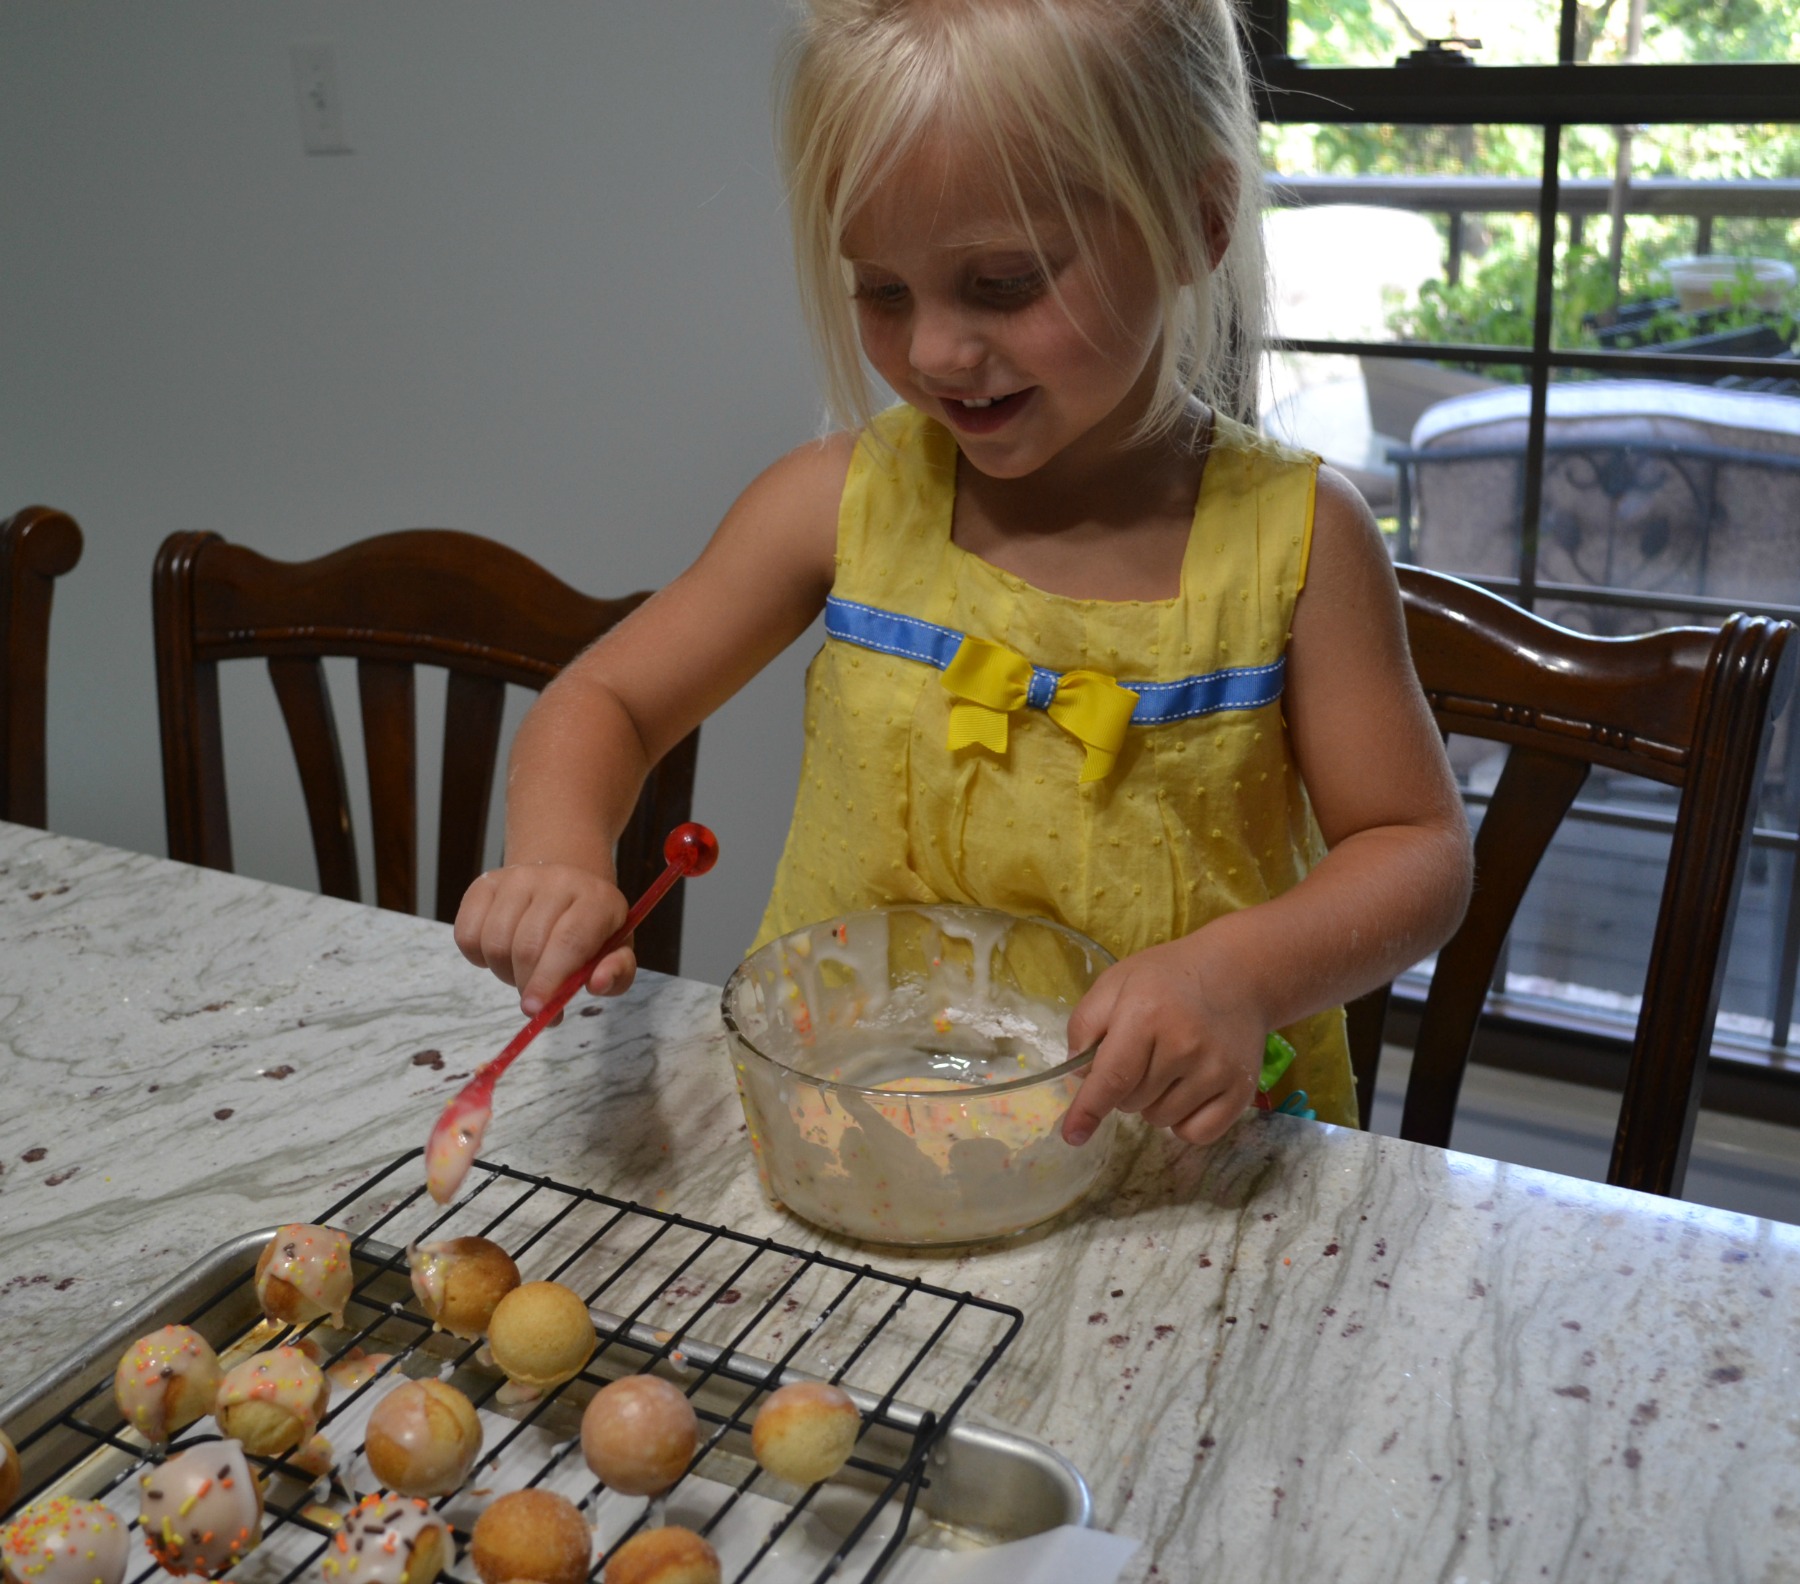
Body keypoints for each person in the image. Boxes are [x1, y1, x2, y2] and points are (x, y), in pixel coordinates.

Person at [454, 0, 1472, 1146]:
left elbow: (1417, 851)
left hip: (1172, 1158)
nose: (935, 350)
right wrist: (554, 858)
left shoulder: (1299, 540)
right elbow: (608, 700)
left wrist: (1242, 969)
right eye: (883, 291)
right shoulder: (834, 502)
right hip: (858, 1129)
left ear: (1196, 223)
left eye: (1004, 284)